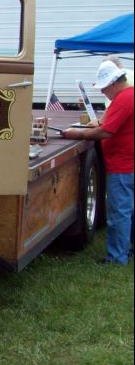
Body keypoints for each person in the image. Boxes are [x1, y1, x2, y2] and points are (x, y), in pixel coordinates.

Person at [64, 59, 133, 265]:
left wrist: (77, 134)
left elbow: (106, 131)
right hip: (128, 163)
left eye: (104, 88)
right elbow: (110, 123)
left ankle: (117, 257)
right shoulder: (128, 96)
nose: (103, 93)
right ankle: (126, 249)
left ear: (113, 83)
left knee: (119, 213)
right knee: (129, 211)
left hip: (123, 166)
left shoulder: (123, 99)